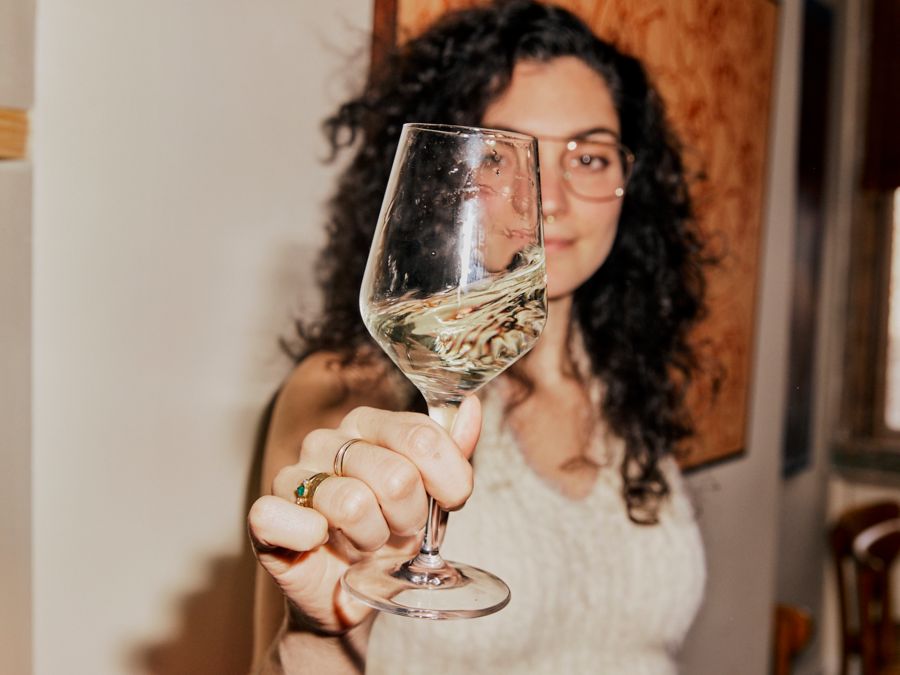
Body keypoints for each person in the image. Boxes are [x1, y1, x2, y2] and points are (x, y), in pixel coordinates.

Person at [247, 1, 710, 673]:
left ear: (628, 181)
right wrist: (318, 630)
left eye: (589, 155)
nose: (549, 197)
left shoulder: (628, 386)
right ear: (437, 183)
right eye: (503, 156)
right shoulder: (353, 389)